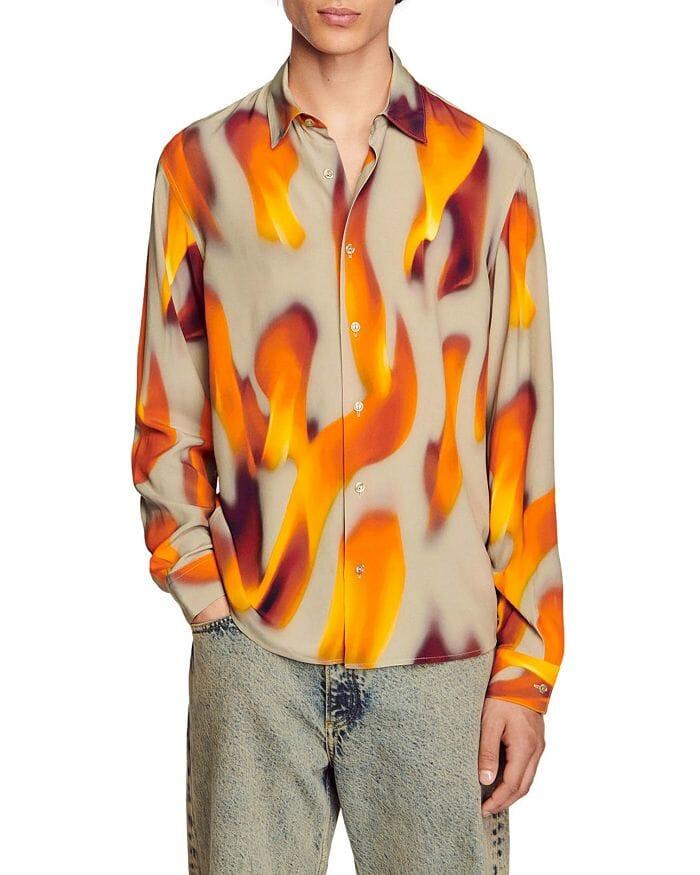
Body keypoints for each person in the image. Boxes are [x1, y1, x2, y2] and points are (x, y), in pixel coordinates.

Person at [132, 1, 564, 871]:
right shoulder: (201, 167)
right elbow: (166, 407)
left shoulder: (488, 172)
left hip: (438, 663)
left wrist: (525, 669)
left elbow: (519, 426)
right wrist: (209, 605)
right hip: (255, 654)